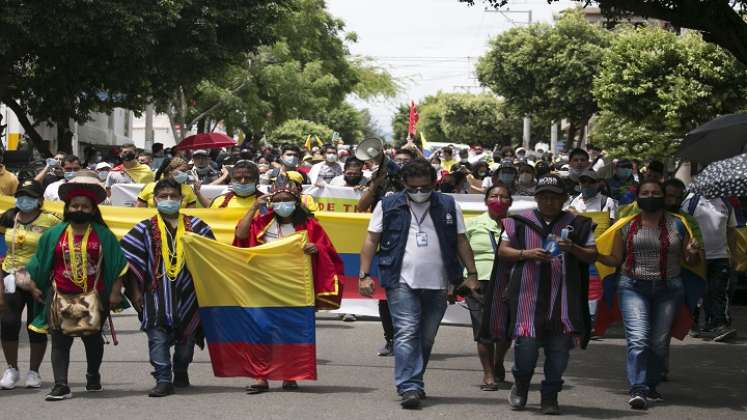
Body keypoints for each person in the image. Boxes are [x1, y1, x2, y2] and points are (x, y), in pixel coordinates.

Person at [358, 159, 480, 410]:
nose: (420, 192)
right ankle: (409, 386)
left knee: (426, 338)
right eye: (414, 188)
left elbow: (460, 240)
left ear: (434, 183)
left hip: (438, 282)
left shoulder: (448, 204)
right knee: (406, 332)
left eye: (425, 187)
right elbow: (371, 240)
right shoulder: (388, 204)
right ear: (404, 183)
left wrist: (472, 273)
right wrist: (363, 275)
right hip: (400, 279)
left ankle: (414, 379)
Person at [486, 174, 597, 415]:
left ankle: (550, 396)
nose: (549, 201)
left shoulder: (578, 224)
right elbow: (503, 252)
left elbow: (591, 255)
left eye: (554, 197)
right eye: (544, 196)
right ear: (536, 198)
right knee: (525, 348)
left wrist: (573, 248)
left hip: (563, 302)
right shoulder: (519, 222)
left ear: (564, 199)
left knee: (559, 354)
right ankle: (521, 385)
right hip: (527, 299)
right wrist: (526, 254)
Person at [596, 180, 701, 410]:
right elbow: (615, 259)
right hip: (632, 287)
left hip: (669, 290)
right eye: (646, 192)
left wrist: (692, 253)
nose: (650, 196)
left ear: (664, 196)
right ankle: (638, 388)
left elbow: (690, 261)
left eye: (655, 193)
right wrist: (597, 255)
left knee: (659, 342)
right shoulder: (626, 224)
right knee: (639, 339)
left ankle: (651, 385)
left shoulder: (679, 224)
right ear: (638, 197)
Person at [234, 175, 344, 394]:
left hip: (296, 287)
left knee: (292, 332)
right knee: (261, 331)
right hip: (263, 285)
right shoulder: (262, 223)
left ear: (295, 202)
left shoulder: (310, 226)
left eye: (287, 199)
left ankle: (291, 374)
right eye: (277, 200)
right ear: (271, 203)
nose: (282, 204)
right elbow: (241, 234)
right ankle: (260, 377)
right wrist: (254, 207)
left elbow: (328, 251)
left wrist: (316, 249)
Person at [25, 174, 128, 401]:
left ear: (93, 210)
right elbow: (39, 262)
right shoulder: (54, 234)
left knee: (92, 338)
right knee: (60, 340)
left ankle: (93, 374)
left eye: (84, 206)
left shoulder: (104, 235)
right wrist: (33, 285)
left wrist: (114, 292)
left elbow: (117, 264)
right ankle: (61, 384)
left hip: (94, 294)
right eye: (75, 205)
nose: (79, 209)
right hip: (59, 294)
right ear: (68, 207)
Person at [121, 179, 215, 397]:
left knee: (186, 342)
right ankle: (163, 379)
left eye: (173, 196)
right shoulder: (144, 228)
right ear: (154, 200)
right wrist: (135, 294)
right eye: (163, 196)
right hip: (155, 293)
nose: (169, 200)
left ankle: (181, 369)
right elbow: (129, 260)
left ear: (181, 199)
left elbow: (212, 257)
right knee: (157, 336)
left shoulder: (198, 226)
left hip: (190, 293)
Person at [0, 180, 61, 390]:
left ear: (40, 200)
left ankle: (34, 372)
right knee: (8, 323)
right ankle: (11, 369)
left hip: (38, 280)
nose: (24, 200)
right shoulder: (8, 217)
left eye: (29, 196)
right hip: (10, 276)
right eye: (20, 196)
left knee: (36, 326)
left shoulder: (51, 221)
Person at [357, 147, 413, 357]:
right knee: (386, 296)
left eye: (406, 161)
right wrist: (375, 185)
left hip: (412, 246)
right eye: (398, 161)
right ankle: (391, 339)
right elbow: (361, 207)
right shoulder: (380, 181)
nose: (401, 164)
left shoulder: (417, 186)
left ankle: (408, 338)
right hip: (388, 246)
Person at [464, 183, 512, 391]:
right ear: (485, 201)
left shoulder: (516, 226)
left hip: (508, 282)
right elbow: (460, 253)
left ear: (511, 202)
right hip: (478, 282)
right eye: (494, 196)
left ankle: (498, 361)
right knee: (483, 329)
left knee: (504, 330)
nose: (498, 201)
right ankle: (488, 374)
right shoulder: (472, 224)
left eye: (504, 197)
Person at [681, 190, 738, 341]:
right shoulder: (690, 202)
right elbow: (682, 226)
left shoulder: (726, 203)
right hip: (698, 256)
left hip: (720, 256)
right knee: (697, 290)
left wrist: (733, 253)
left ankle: (719, 324)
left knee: (718, 290)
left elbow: (731, 230)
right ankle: (691, 323)